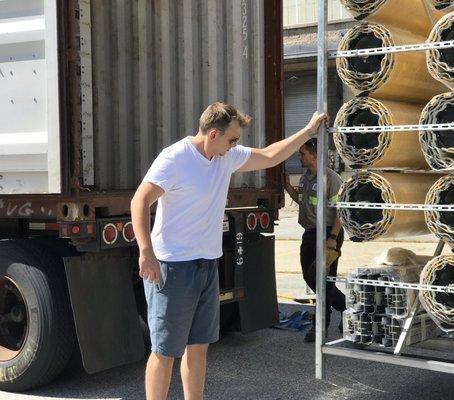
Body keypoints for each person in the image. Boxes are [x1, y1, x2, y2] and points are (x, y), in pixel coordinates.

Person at [131, 102, 326, 400]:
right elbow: (140, 200)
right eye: (232, 139)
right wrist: (146, 251)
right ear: (212, 134)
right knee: (165, 350)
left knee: (198, 346)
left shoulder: (226, 156)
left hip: (207, 265)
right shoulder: (175, 159)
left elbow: (271, 154)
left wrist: (308, 131)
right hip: (173, 268)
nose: (235, 145)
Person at [283, 137, 346, 342]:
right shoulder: (305, 178)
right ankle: (347, 308)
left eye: (302, 153)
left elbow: (340, 211)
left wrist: (333, 238)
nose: (299, 156)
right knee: (310, 277)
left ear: (314, 155)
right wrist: (287, 186)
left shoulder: (331, 178)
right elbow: (301, 201)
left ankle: (320, 326)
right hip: (310, 233)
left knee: (324, 281)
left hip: (328, 234)